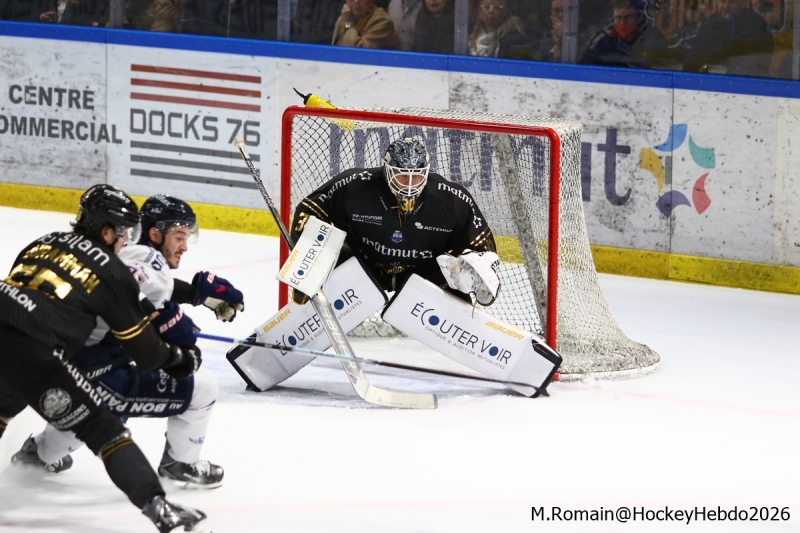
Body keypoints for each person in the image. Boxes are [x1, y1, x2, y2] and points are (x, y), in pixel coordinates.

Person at [0, 184, 207, 532]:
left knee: (3, 407)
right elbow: (145, 352)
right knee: (103, 428)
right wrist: (180, 359)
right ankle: (159, 507)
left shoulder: (44, 241)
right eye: (125, 232)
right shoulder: (110, 270)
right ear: (107, 230)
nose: (127, 241)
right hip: (32, 349)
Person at [11, 194, 244, 489]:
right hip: (92, 373)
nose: (184, 246)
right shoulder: (150, 266)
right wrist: (184, 330)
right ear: (155, 234)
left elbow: (133, 284)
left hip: (48, 359)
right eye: (179, 236)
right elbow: (147, 301)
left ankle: (40, 453)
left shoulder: (110, 249)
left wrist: (197, 293)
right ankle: (181, 463)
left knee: (95, 403)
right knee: (201, 385)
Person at [291, 137, 498, 306]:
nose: (409, 185)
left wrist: (474, 270)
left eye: (416, 177)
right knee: (329, 251)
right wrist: (309, 260)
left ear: (426, 174)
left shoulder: (451, 199)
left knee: (458, 289)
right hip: (365, 266)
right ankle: (312, 308)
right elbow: (310, 209)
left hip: (422, 273)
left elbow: (480, 243)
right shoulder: (356, 186)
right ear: (388, 170)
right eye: (401, 176)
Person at [683, 0, 773, 77]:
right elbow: (690, 65)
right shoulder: (708, 27)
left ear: (743, 3)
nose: (726, 6)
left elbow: (757, 68)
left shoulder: (756, 27)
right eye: (722, 1)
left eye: (732, 2)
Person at [580, 0, 670, 68]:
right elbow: (585, 63)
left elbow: (651, 70)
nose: (622, 22)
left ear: (638, 18)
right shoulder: (603, 37)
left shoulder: (652, 38)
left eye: (629, 17)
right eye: (618, 17)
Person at [468, 0, 533, 59]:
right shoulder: (468, 34)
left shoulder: (514, 38)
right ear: (480, 12)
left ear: (504, 12)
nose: (491, 11)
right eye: (486, 7)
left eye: (497, 7)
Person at [332, 0, 399, 49]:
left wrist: (348, 24)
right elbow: (334, 47)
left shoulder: (382, 21)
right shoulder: (344, 17)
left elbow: (362, 52)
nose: (356, 1)